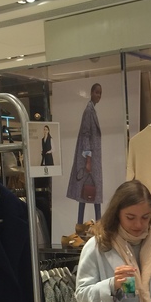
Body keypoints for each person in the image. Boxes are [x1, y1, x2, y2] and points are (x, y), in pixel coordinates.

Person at [66, 83, 103, 226]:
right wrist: (88, 159)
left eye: (100, 93)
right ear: (91, 92)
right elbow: (86, 134)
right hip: (89, 158)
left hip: (92, 158)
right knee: (89, 191)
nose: (98, 95)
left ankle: (83, 225)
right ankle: (93, 225)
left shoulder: (92, 110)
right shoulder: (89, 110)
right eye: (97, 92)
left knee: (89, 191)